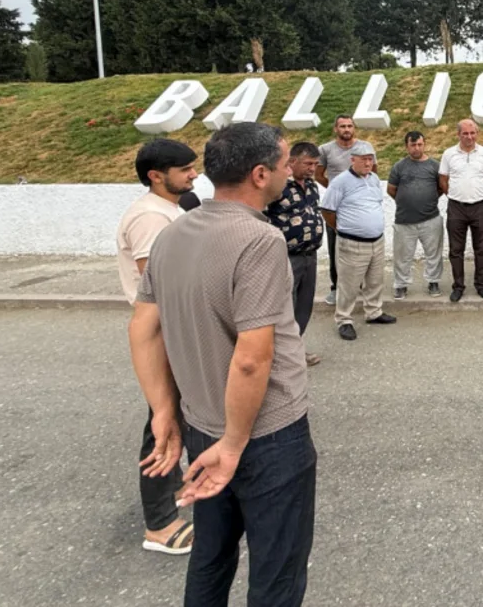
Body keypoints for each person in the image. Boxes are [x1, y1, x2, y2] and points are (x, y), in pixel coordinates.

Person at [130, 122, 315, 606]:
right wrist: (234, 445)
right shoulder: (259, 240)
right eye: (282, 164)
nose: (288, 171)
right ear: (259, 174)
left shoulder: (173, 234)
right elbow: (253, 360)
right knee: (277, 572)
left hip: (201, 426)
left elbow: (143, 329)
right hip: (265, 434)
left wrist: (163, 412)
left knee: (210, 557)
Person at [116, 138, 198, 556]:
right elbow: (160, 287)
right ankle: (160, 524)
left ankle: (178, 488)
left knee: (175, 419)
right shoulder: (150, 218)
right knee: (162, 426)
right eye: (185, 169)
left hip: (178, 333)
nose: (194, 174)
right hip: (167, 337)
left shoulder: (171, 209)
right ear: (155, 175)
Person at [319, 141, 396, 341]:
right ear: (352, 160)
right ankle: (344, 319)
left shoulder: (373, 178)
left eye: (371, 159)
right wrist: (343, 228)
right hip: (352, 243)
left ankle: (374, 312)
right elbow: (327, 210)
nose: (368, 163)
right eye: (364, 160)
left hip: (376, 241)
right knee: (349, 285)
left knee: (374, 280)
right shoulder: (341, 182)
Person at [264, 141, 325, 367]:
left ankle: (295, 348)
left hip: (310, 255)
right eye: (308, 163)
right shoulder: (277, 185)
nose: (312, 168)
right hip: (287, 256)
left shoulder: (312, 186)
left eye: (316, 164)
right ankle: (280, 355)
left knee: (304, 306)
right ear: (292, 161)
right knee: (285, 306)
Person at [316, 116, 377, 307]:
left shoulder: (366, 147)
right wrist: (337, 190)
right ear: (336, 129)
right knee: (337, 249)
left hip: (359, 207)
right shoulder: (326, 149)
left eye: (350, 126)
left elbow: (373, 171)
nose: (346, 129)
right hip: (337, 207)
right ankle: (336, 288)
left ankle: (359, 287)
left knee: (363, 249)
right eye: (342, 126)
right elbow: (319, 174)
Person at [439, 119, 483, 302]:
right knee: (456, 250)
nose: (469, 137)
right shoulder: (449, 154)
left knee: (482, 249)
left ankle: (481, 285)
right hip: (456, 207)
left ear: (477, 134)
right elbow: (443, 180)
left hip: (481, 206)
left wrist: (475, 194)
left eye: (472, 133)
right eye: (465, 133)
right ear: (458, 134)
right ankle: (458, 286)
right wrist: (456, 194)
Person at [387, 131, 445, 300]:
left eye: (419, 144)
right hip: (404, 221)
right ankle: (401, 285)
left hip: (431, 219)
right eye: (413, 145)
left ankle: (433, 281)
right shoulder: (399, 166)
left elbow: (441, 188)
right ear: (407, 146)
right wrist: (407, 201)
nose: (416, 148)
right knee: (402, 256)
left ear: (424, 144)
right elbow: (391, 189)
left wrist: (428, 199)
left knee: (434, 253)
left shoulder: (435, 166)